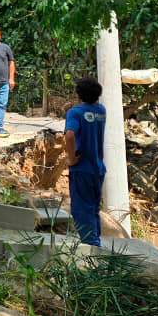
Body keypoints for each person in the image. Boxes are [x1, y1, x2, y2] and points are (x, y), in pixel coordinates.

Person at [64, 77, 106, 247]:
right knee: (93, 208)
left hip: (81, 168)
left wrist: (71, 158)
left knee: (81, 209)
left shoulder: (74, 113)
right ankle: (96, 240)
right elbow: (88, 113)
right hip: (98, 168)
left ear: (78, 94)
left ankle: (91, 246)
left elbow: (70, 135)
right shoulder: (101, 110)